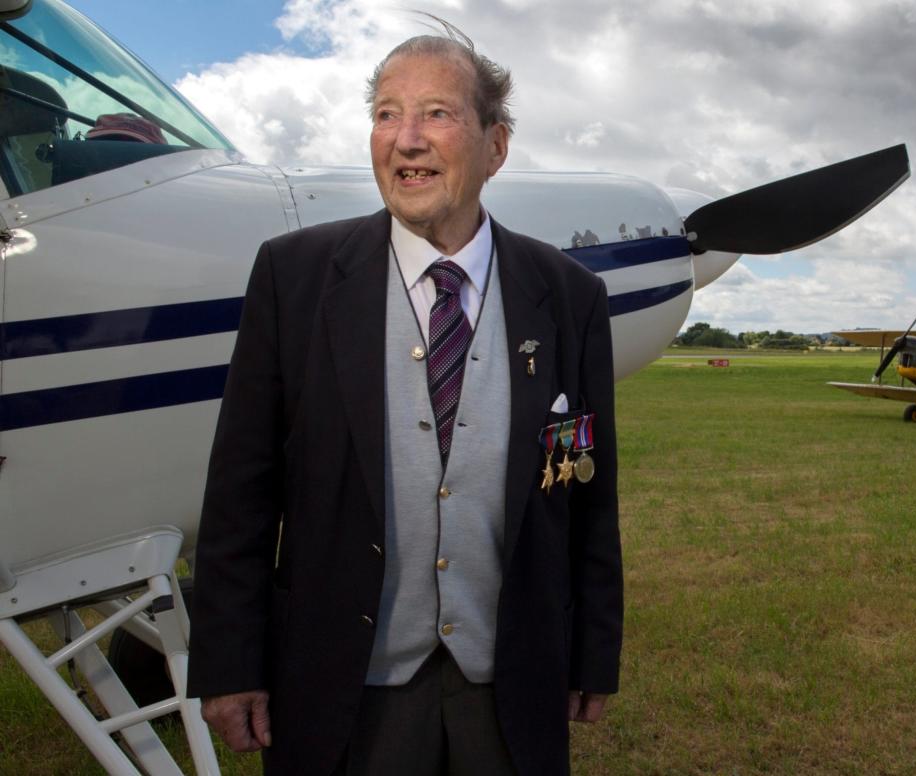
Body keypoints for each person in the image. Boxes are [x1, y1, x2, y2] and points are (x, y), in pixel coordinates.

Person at [187, 21, 622, 776]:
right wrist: (230, 659)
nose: (406, 139)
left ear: (496, 145)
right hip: (344, 681)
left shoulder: (569, 297)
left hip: (508, 675)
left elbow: (587, 492)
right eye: (386, 114)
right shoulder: (294, 277)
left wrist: (592, 649)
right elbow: (240, 492)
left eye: (437, 114)